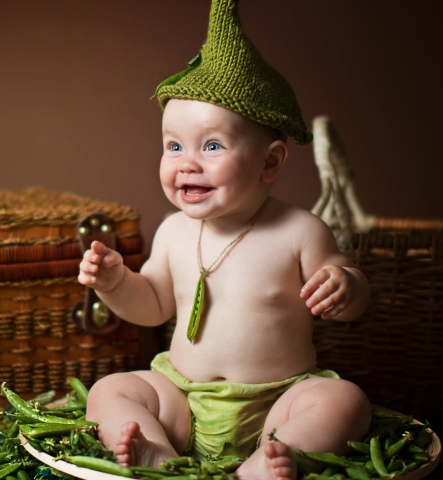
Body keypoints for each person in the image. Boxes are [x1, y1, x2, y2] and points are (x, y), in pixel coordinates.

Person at [78, 1, 371, 479]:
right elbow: (152, 305)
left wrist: (345, 284)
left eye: (211, 145)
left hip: (277, 402)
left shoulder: (300, 231)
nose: (186, 163)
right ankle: (157, 451)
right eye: (173, 145)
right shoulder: (174, 231)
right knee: (109, 391)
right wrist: (115, 284)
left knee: (344, 402)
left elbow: (355, 292)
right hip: (182, 399)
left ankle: (274, 458)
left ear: (270, 163)